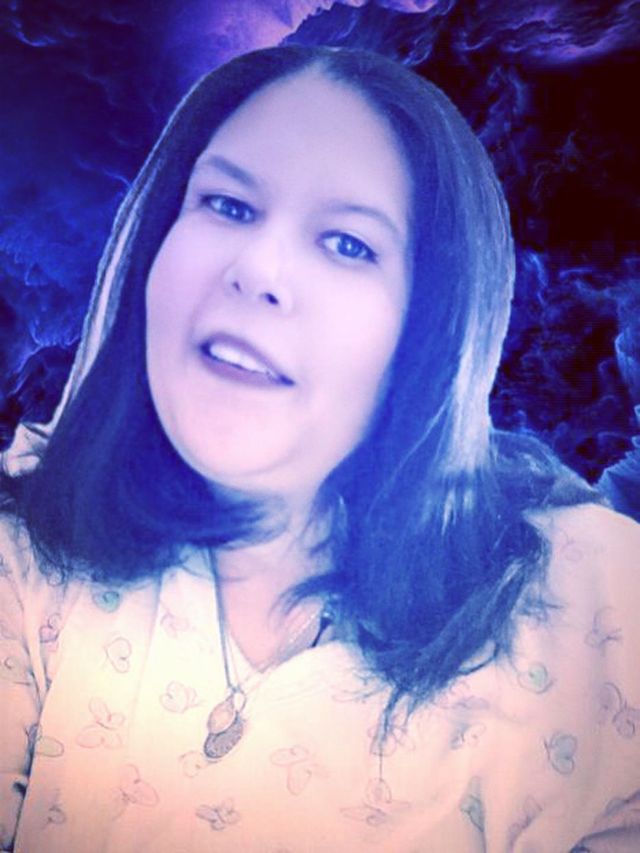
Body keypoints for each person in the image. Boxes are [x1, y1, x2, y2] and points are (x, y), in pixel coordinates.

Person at [1, 45, 638, 853]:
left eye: (347, 243)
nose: (258, 269)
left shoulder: (592, 609)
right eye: (228, 204)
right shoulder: (27, 562)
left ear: (430, 327)